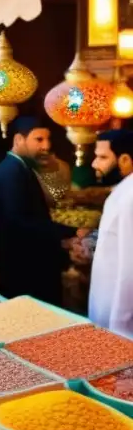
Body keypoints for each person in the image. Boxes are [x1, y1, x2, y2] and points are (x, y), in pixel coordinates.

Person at [0, 117, 82, 305]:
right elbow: (18, 222)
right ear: (18, 140)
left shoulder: (21, 167)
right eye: (39, 139)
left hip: (30, 264)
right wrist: (69, 233)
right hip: (23, 268)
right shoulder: (9, 172)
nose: (46, 146)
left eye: (48, 140)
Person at [87, 129, 133, 337]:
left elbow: (129, 269)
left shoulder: (130, 197)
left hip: (118, 318)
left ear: (125, 160)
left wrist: (120, 329)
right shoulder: (124, 190)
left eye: (102, 157)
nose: (94, 164)